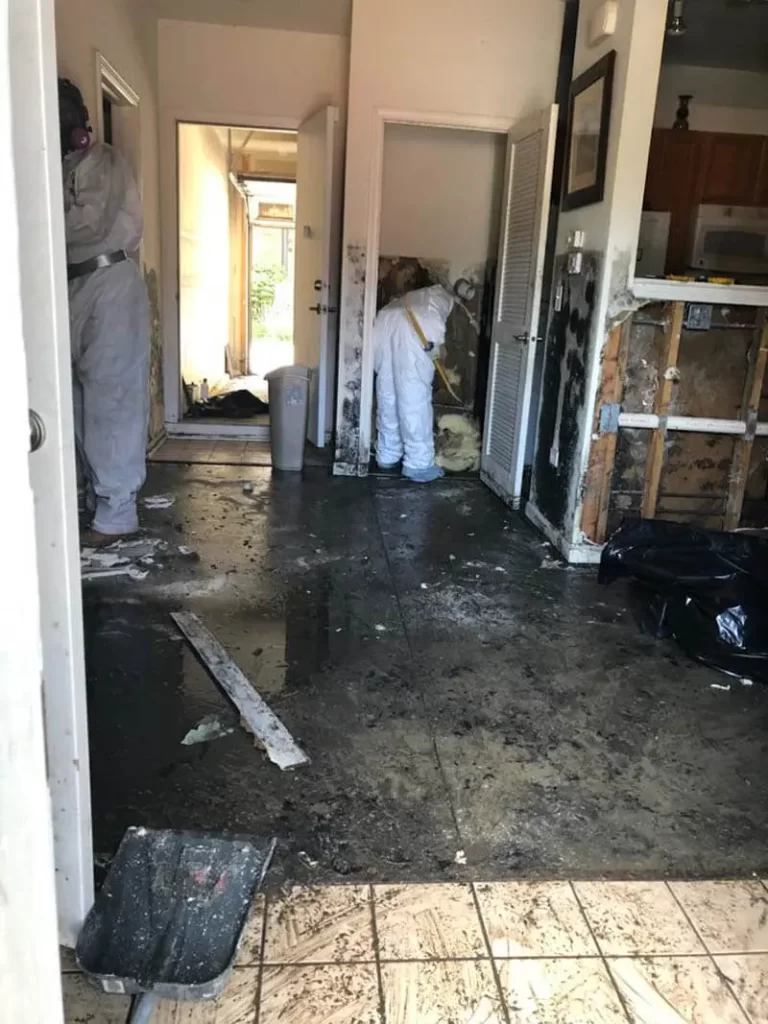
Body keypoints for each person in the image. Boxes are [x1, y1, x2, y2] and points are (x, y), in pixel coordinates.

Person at [59, 77, 150, 545]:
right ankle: (92, 499)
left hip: (110, 283)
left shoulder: (104, 163)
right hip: (70, 286)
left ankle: (117, 515)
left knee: (112, 399)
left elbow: (86, 223)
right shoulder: (61, 166)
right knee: (74, 398)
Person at [373, 284, 455, 482]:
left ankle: (387, 453)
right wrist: (437, 349)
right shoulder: (440, 299)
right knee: (414, 399)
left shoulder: (412, 298)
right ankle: (418, 464)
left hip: (385, 321)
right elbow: (434, 338)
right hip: (413, 331)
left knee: (388, 392)